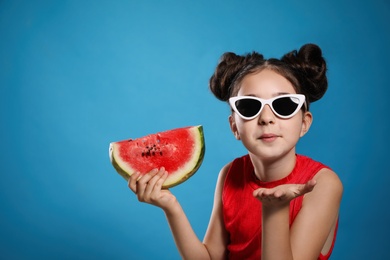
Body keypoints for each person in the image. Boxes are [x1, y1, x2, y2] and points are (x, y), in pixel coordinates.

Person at [128, 43, 343, 260]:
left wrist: (275, 210)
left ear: (304, 123)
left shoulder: (321, 184)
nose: (267, 118)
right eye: (249, 106)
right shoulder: (230, 174)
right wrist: (170, 206)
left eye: (284, 105)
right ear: (234, 127)